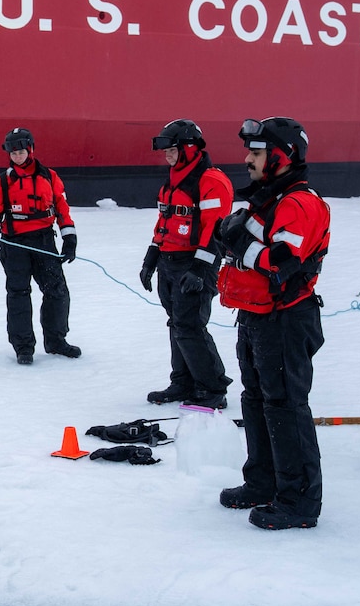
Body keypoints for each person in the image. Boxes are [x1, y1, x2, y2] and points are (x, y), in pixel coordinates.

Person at [215, 117, 331, 530]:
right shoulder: (265, 198)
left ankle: (299, 501)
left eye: (256, 153)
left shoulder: (298, 203)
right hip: (257, 316)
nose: (247, 159)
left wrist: (240, 242)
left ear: (282, 156)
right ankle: (263, 482)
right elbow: (231, 239)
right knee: (257, 400)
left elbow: (282, 262)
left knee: (285, 406)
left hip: (286, 318)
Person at [139, 119, 234, 409]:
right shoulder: (174, 180)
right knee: (177, 324)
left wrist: (200, 270)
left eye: (172, 150)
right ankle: (183, 381)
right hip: (170, 262)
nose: (167, 156)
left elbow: (215, 232)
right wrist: (151, 258)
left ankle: (212, 388)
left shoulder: (211, 182)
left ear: (189, 148)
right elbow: (164, 222)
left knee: (190, 325)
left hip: (193, 264)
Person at [0, 126, 80, 364]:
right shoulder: (3, 181)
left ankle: (56, 341)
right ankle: (23, 347)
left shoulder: (50, 177)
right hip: (14, 244)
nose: (17, 157)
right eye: (13, 153)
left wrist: (69, 237)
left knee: (57, 292)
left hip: (44, 241)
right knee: (18, 294)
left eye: (21, 152)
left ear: (30, 150)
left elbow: (62, 207)